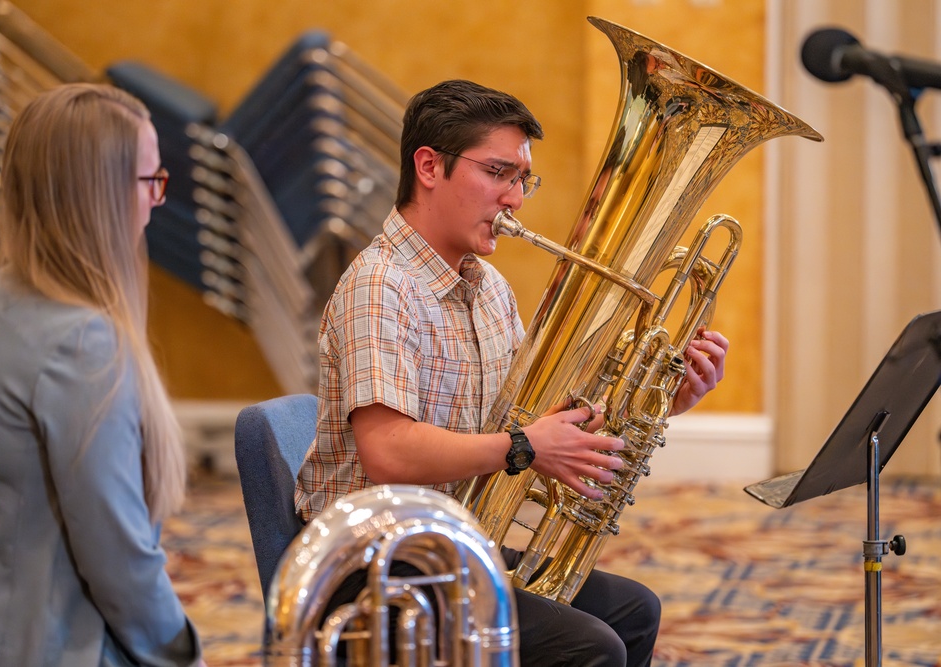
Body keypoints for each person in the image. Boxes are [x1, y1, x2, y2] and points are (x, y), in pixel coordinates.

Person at [294, 79, 729, 667]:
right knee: (590, 646)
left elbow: (538, 425)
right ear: (428, 165)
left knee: (633, 611)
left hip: (453, 546)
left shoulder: (488, 289)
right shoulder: (380, 285)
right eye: (498, 172)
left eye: (523, 178)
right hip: (373, 566)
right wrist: (525, 447)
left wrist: (664, 397)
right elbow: (389, 452)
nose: (516, 198)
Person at [0, 83, 204, 667]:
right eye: (150, 182)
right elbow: (120, 564)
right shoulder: (80, 343)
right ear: (100, 195)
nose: (156, 201)